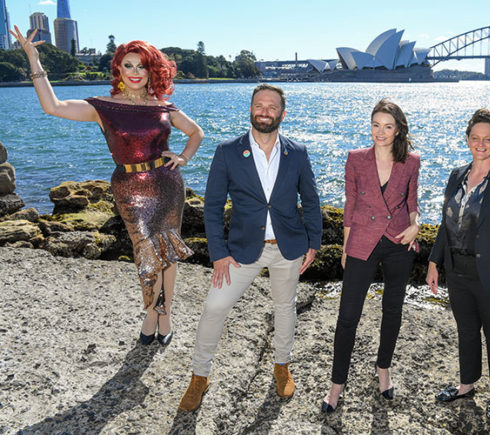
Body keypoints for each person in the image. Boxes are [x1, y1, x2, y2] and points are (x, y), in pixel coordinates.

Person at [10, 27, 204, 346]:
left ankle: (163, 314)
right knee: (145, 253)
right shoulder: (103, 106)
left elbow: (196, 133)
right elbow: (52, 106)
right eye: (128, 65)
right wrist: (33, 58)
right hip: (128, 187)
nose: (135, 72)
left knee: (167, 253)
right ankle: (151, 312)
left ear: (151, 69)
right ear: (118, 69)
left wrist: (183, 157)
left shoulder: (163, 107)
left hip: (167, 185)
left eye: (141, 65)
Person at [179, 84, 322, 411]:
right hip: (241, 250)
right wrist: (218, 253)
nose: (265, 111)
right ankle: (199, 375)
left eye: (272, 106)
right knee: (214, 307)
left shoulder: (296, 153)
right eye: (259, 105)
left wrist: (314, 242)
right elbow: (212, 206)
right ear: (251, 110)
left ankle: (281, 366)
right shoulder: (228, 152)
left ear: (282, 114)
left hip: (288, 247)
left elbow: (311, 200)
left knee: (285, 308)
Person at [426, 108, 490, 421]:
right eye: (475, 137)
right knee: (467, 331)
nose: (481, 143)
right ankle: (466, 384)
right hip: (457, 271)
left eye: (487, 138)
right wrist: (434, 262)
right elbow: (446, 224)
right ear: (467, 139)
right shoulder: (457, 175)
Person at [321, 99, 421, 413]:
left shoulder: (412, 161)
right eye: (376, 124)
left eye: (387, 126)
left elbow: (413, 202)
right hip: (362, 240)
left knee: (392, 310)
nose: (380, 132)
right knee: (347, 316)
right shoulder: (356, 159)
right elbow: (350, 206)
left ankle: (384, 370)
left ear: (398, 129)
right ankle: (336, 385)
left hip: (398, 242)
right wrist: (346, 249)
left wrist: (416, 226)